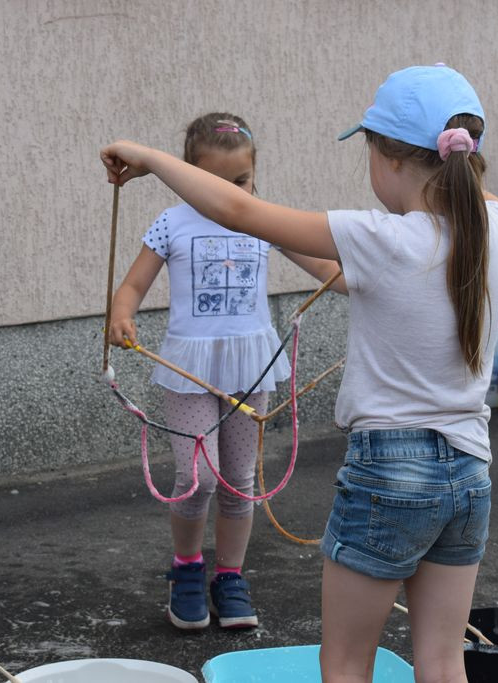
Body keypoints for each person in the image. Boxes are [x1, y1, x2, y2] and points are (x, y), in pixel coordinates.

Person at [101, 65, 498, 683]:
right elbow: (349, 272)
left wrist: (153, 158)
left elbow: (238, 210)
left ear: (387, 156)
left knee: (345, 664)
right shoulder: (493, 222)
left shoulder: (379, 235)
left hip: (391, 472)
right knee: (442, 659)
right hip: (469, 471)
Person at [108, 112, 342, 631]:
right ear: (188, 174)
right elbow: (130, 288)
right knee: (196, 479)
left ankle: (230, 576)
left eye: (240, 182)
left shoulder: (261, 218)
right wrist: (120, 315)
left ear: (254, 177)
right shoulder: (172, 223)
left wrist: (374, 277)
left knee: (238, 480)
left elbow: (328, 268)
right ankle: (188, 569)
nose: (230, 192)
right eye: (214, 182)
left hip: (249, 369)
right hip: (188, 367)